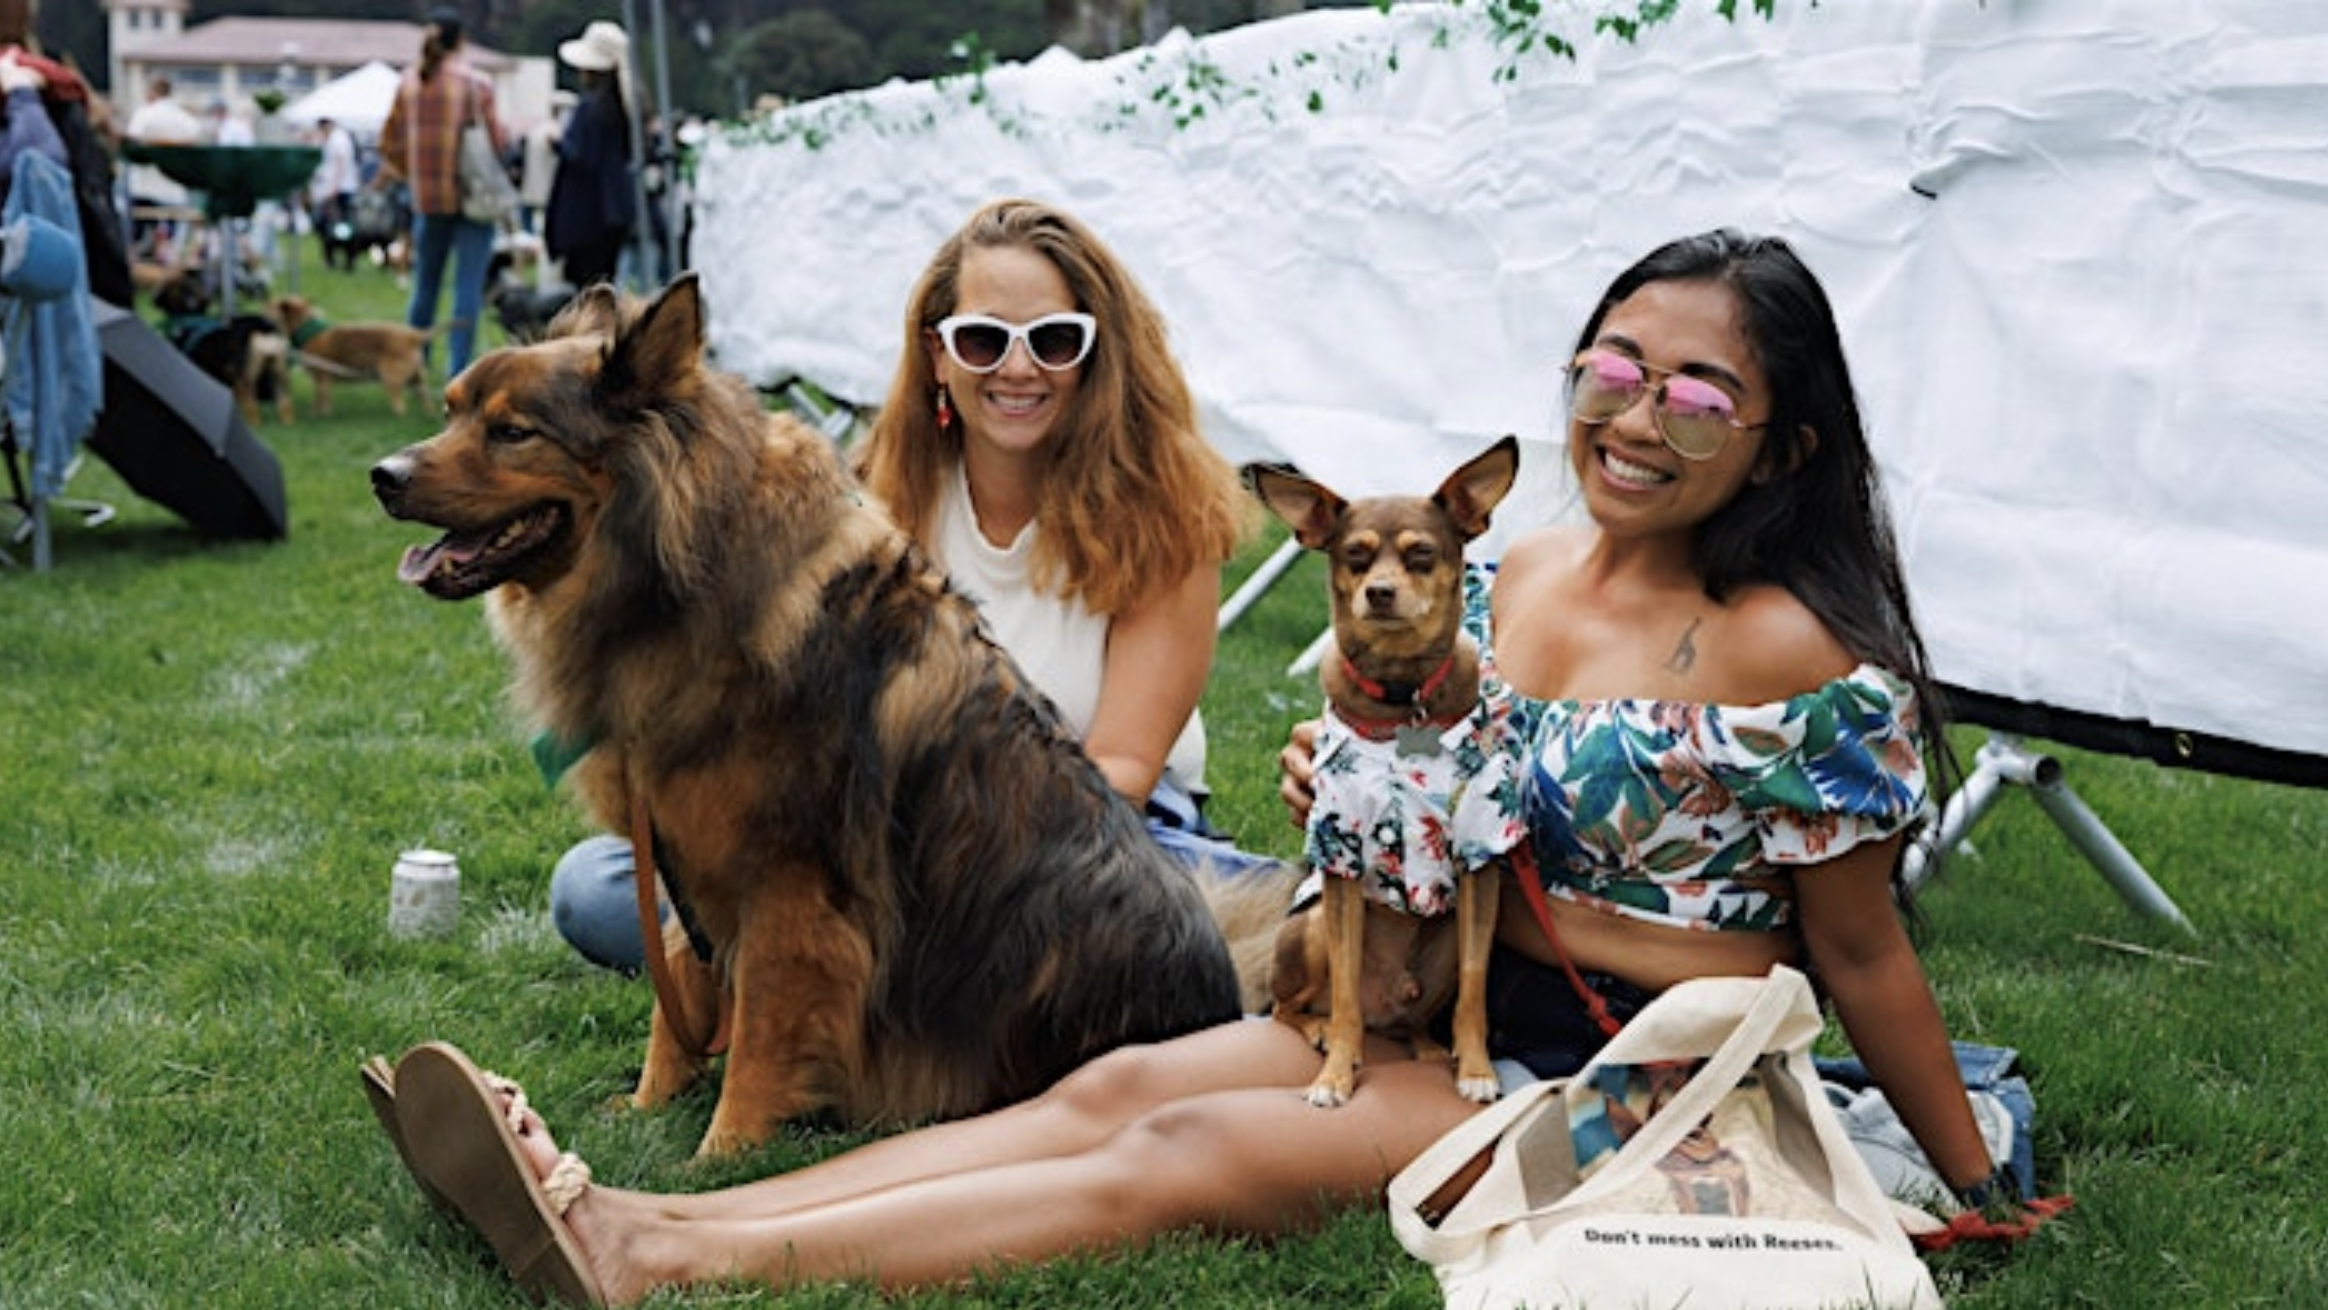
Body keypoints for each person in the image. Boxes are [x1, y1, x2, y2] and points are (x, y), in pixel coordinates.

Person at [375, 228, 2022, 1305]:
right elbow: (1463, 795)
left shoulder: (1794, 654)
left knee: (1168, 1160)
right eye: (1609, 365)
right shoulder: (1518, 576)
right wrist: (1350, 796)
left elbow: (1858, 945)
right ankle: (614, 1211)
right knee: (1111, 1089)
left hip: (1627, 1074)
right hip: (1423, 1006)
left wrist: (1964, 1175)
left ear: (1779, 441)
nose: (1633, 412)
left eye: (1695, 389)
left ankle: (654, 1257)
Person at [543, 196, 1273, 974]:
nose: (1018, 368)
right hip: (879, 832)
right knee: (596, 888)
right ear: (938, 354)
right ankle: (888, 977)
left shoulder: (1166, 515)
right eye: (984, 339)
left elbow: (1121, 773)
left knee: (1281, 927)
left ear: (1096, 355)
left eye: (1055, 340)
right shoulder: (867, 492)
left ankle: (880, 976)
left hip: (1104, 838)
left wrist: (928, 879)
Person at [375, 7, 505, 377]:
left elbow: (389, 142)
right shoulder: (476, 84)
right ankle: (458, 373)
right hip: (473, 198)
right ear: (461, 39)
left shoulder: (409, 82)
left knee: (424, 287)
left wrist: (413, 171)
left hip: (428, 200)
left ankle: (414, 364)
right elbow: (496, 143)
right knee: (467, 290)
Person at [541, 21, 637, 291]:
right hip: (614, 210)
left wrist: (557, 142)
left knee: (585, 290)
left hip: (585, 213)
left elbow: (582, 156)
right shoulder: (624, 106)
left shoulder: (591, 108)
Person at [309, 115, 360, 270]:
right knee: (337, 227)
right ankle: (337, 259)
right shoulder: (336, 138)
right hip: (338, 189)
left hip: (339, 190)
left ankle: (343, 259)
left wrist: (334, 189)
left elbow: (340, 163)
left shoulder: (338, 139)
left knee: (339, 227)